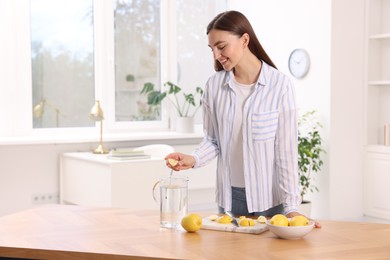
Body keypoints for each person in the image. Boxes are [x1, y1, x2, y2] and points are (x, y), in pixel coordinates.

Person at [165, 10, 320, 228]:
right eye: (212, 49)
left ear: (244, 39)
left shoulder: (280, 86)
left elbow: (285, 152)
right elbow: (212, 140)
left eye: (221, 47)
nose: (216, 55)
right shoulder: (213, 87)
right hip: (229, 200)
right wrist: (193, 159)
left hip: (270, 203)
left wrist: (292, 208)